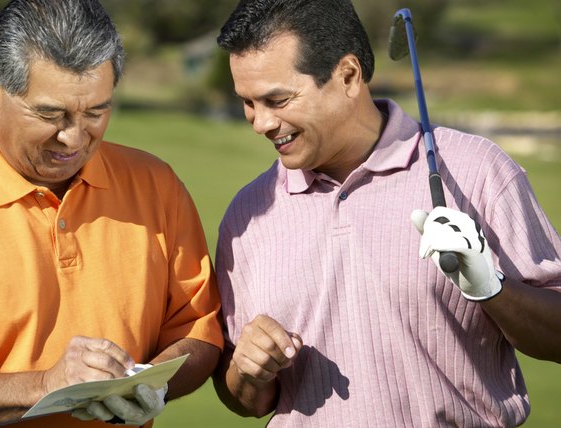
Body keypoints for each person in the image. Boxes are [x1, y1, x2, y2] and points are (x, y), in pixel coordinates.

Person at [0, 0, 223, 426]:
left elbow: (199, 331)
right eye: (50, 113)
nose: (73, 138)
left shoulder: (157, 185)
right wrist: (45, 386)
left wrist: (149, 386)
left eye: (96, 112)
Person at [211, 0, 561, 426]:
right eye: (247, 102)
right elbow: (246, 399)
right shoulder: (247, 215)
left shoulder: (476, 171)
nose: (260, 123)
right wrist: (246, 370)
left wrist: (494, 289)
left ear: (348, 76)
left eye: (277, 100)